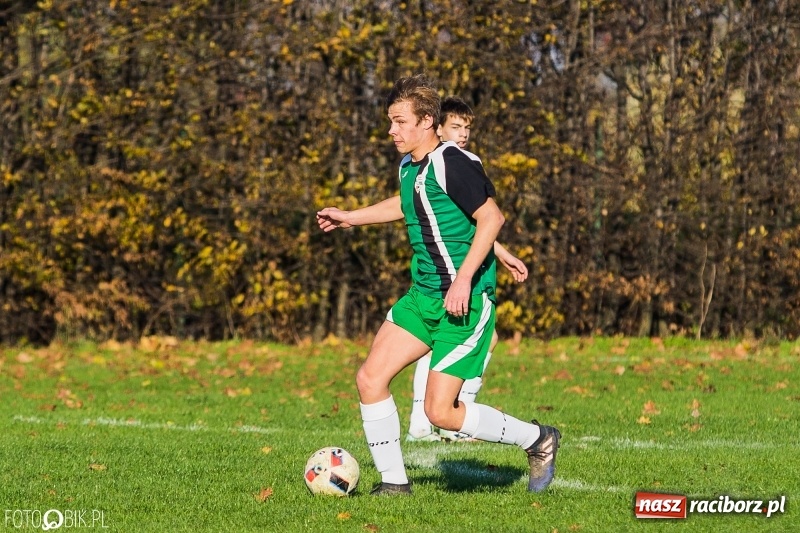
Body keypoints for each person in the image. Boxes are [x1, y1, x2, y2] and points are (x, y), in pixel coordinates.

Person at [316, 74, 560, 495]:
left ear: (427, 121)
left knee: (440, 413)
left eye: (399, 121)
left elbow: (490, 217)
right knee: (370, 379)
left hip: (462, 303)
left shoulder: (452, 161)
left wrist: (464, 280)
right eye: (390, 122)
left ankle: (538, 439)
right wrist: (350, 217)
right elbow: (410, 203)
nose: (391, 130)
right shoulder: (409, 165)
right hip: (422, 297)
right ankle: (394, 484)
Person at [406, 96, 529, 443]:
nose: (462, 135)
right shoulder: (453, 161)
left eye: (467, 128)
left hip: (444, 265)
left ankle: (433, 419)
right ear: (437, 127)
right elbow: (482, 219)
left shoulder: (429, 163)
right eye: (455, 127)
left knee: (451, 341)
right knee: (467, 339)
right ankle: (450, 419)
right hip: (463, 271)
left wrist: (501, 251)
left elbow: (472, 219)